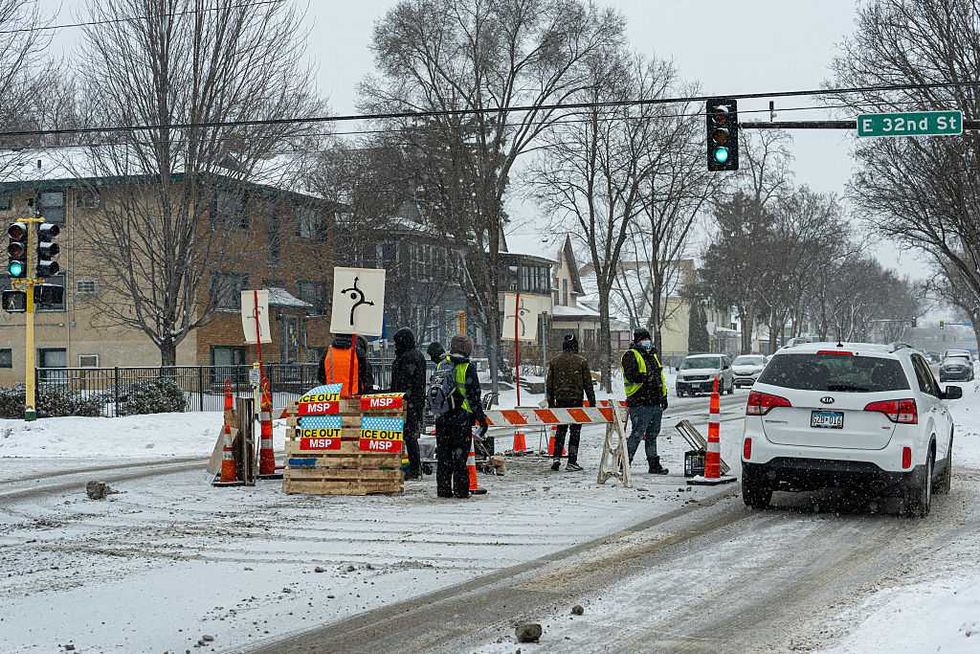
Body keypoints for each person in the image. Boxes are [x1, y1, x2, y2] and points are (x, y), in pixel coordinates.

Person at [435, 334, 488, 499]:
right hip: (461, 417)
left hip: (442, 416)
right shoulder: (467, 367)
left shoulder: (441, 365)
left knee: (444, 456)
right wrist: (481, 419)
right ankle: (461, 490)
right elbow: (474, 397)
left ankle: (443, 489)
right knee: (460, 457)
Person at [622, 328, 669, 474]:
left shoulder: (652, 355)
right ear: (637, 341)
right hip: (639, 402)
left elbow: (660, 378)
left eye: (648, 339)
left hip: (654, 402)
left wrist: (664, 396)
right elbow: (631, 376)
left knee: (652, 435)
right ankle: (625, 463)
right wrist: (645, 377)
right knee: (637, 434)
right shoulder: (631, 355)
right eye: (644, 339)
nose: (647, 342)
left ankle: (653, 464)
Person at [546, 334, 596, 472]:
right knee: (575, 432)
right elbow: (588, 384)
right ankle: (572, 461)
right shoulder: (581, 361)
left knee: (560, 430)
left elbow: (549, 384)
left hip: (560, 400)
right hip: (576, 400)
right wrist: (592, 402)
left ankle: (556, 457)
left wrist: (551, 402)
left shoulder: (555, 361)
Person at [389, 328, 427, 480]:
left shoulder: (407, 358)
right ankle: (413, 467)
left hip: (407, 402)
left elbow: (403, 382)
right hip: (412, 401)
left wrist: (398, 395)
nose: (395, 345)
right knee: (410, 436)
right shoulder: (415, 355)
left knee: (408, 436)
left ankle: (413, 468)